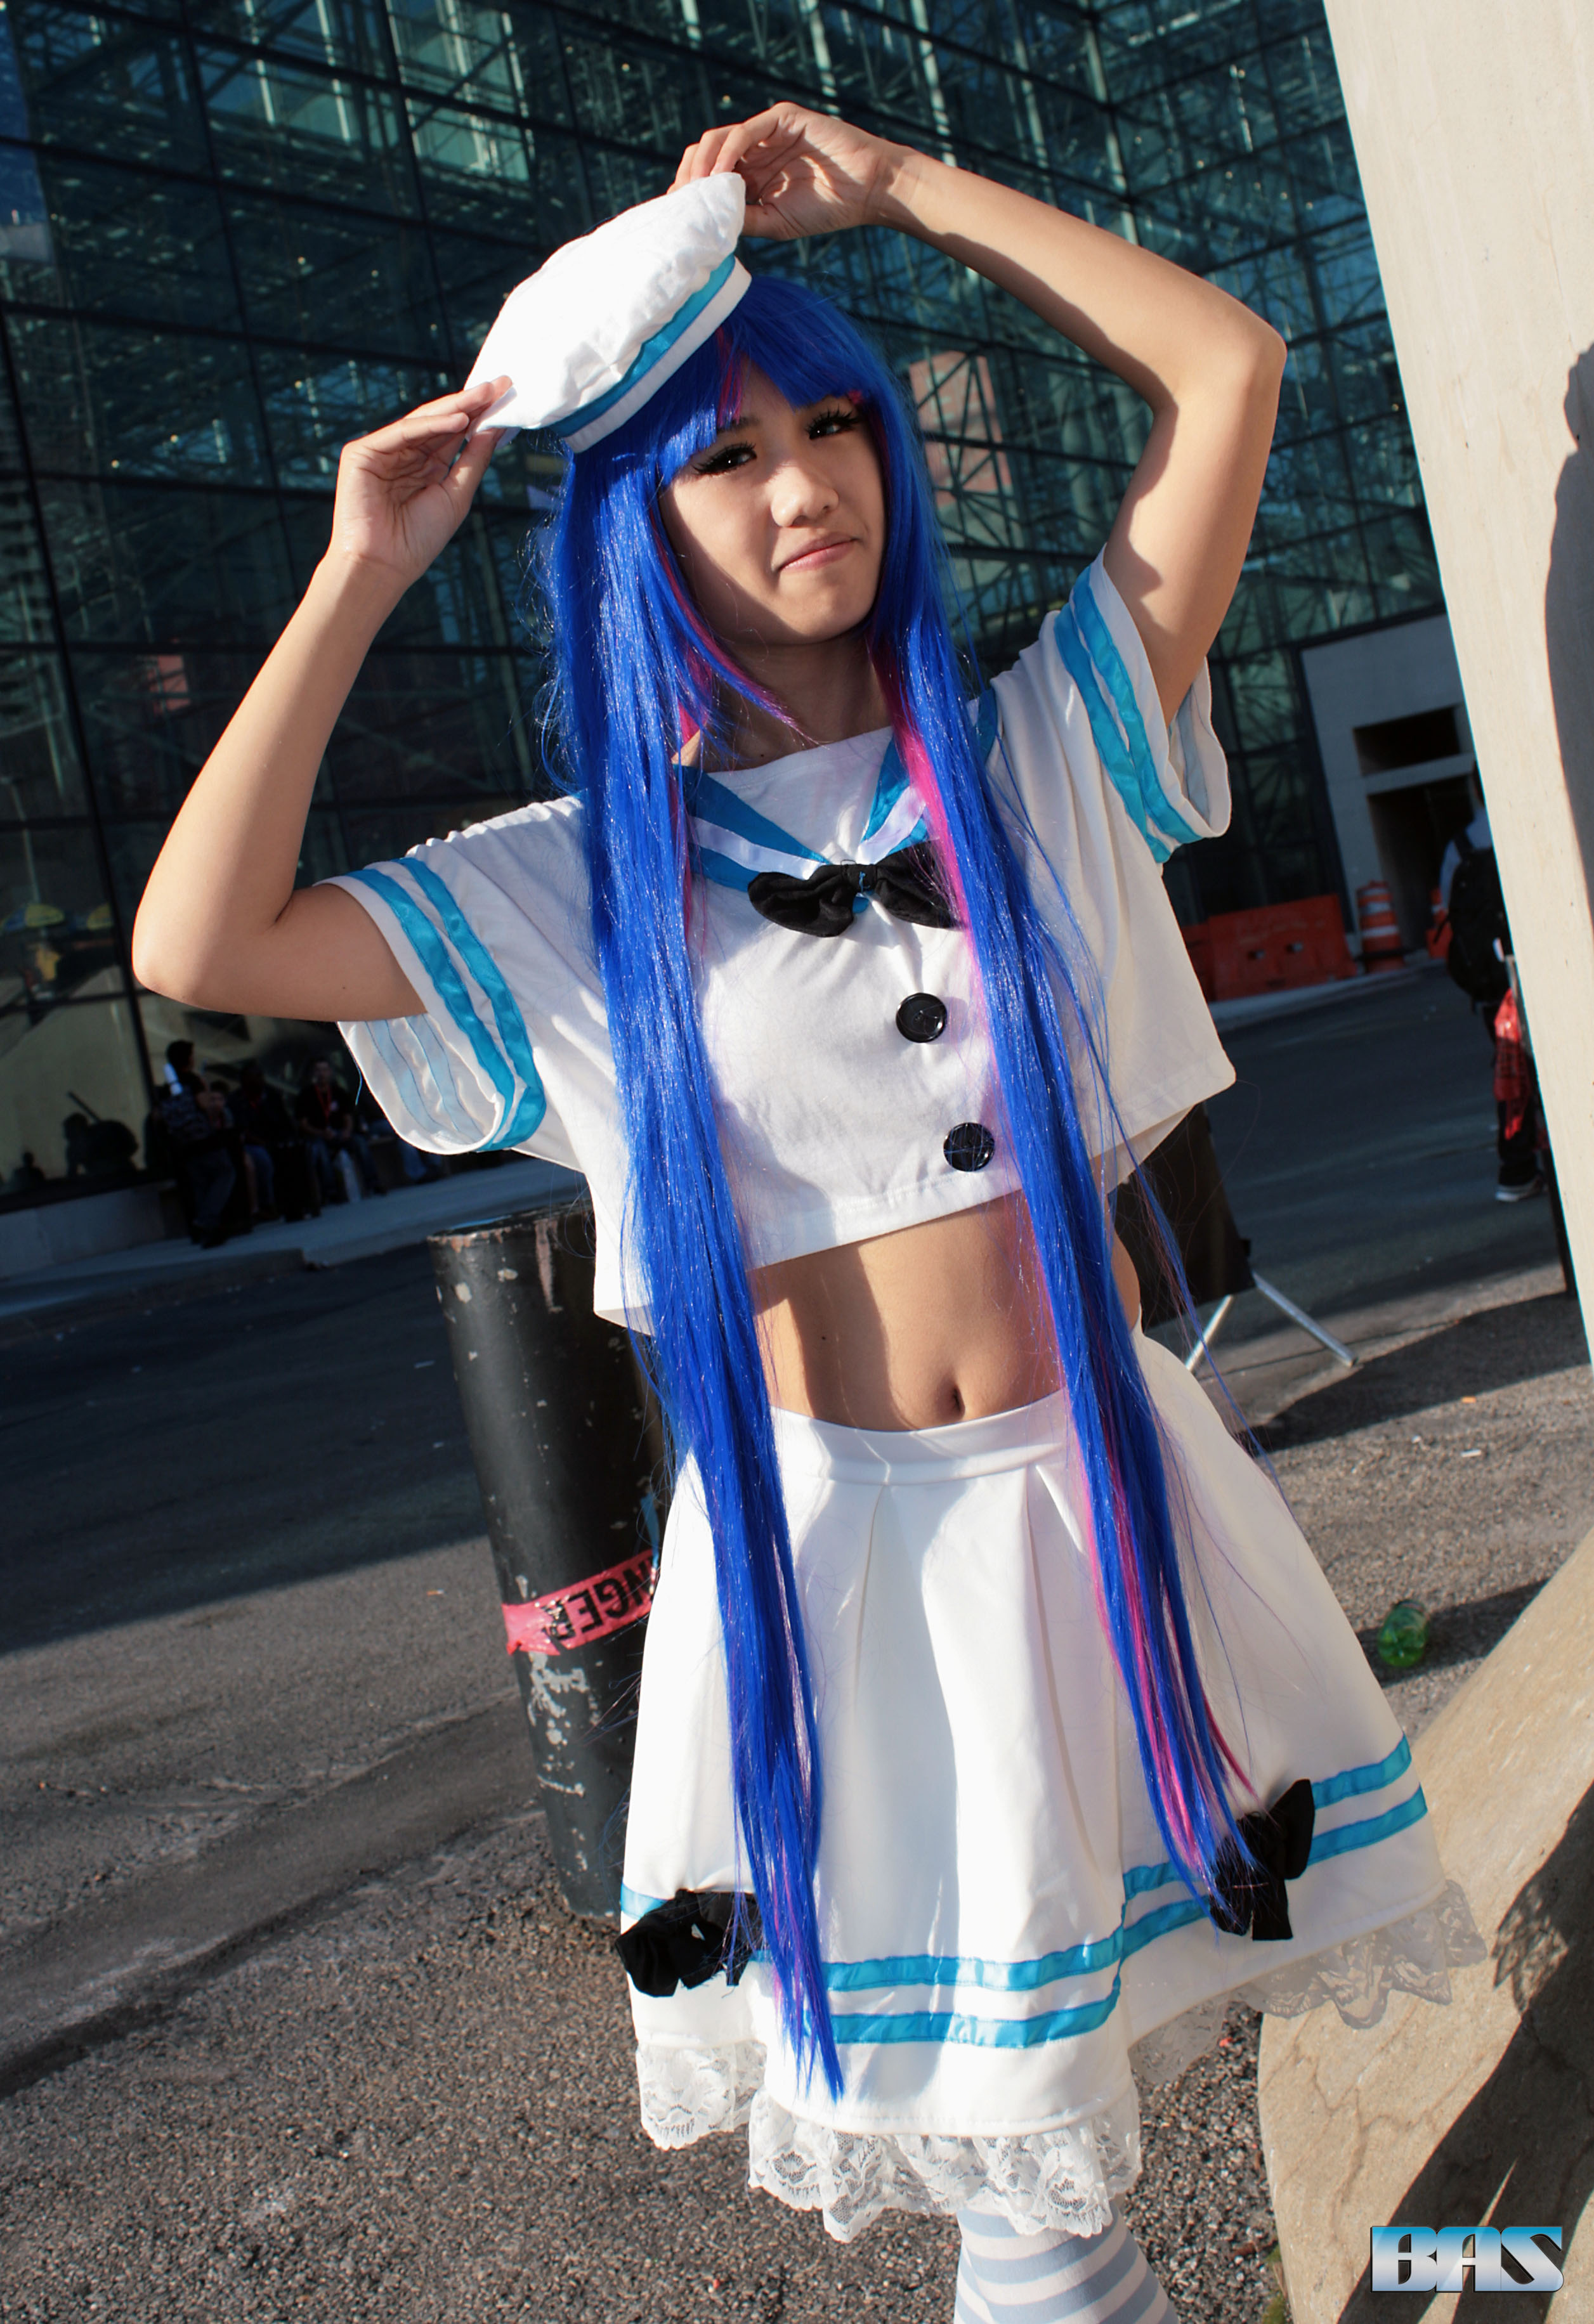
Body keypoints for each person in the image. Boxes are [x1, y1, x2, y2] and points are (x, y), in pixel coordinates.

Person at [132, 110, 1480, 2321]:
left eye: (835, 426)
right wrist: (362, 567)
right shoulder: (579, 888)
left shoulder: (1038, 750)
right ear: (635, 533)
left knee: (1077, 2157)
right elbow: (200, 938)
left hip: (1102, 1502)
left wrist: (907, 194)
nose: (803, 486)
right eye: (728, 458)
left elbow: (1226, 368)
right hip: (848, 1570)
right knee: (1027, 2189)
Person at [1438, 779, 1543, 1201]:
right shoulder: (1525, 827)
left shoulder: (1460, 847)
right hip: (1536, 971)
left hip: (1490, 983)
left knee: (1511, 1072)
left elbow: (1452, 910)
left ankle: (1517, 1170)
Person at [157, 1039, 236, 1247]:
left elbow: (160, 1116)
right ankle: (207, 1219)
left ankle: (208, 1231)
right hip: (205, 1140)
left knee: (200, 1186)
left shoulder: (167, 1088)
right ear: (189, 1059)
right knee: (225, 1174)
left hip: (185, 1145)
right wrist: (206, 1089)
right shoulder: (193, 1081)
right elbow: (205, 1105)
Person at [295, 1055, 383, 1202]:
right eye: (318, 1070)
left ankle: (373, 1183)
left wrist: (347, 1132)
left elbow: (348, 1116)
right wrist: (321, 1133)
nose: (322, 1074)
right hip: (319, 1136)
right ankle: (331, 1192)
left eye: (325, 1070)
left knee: (360, 1143)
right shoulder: (306, 1095)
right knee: (320, 1152)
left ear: (330, 1072)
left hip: (340, 1134)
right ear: (313, 1073)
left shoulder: (339, 1092)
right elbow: (303, 1124)